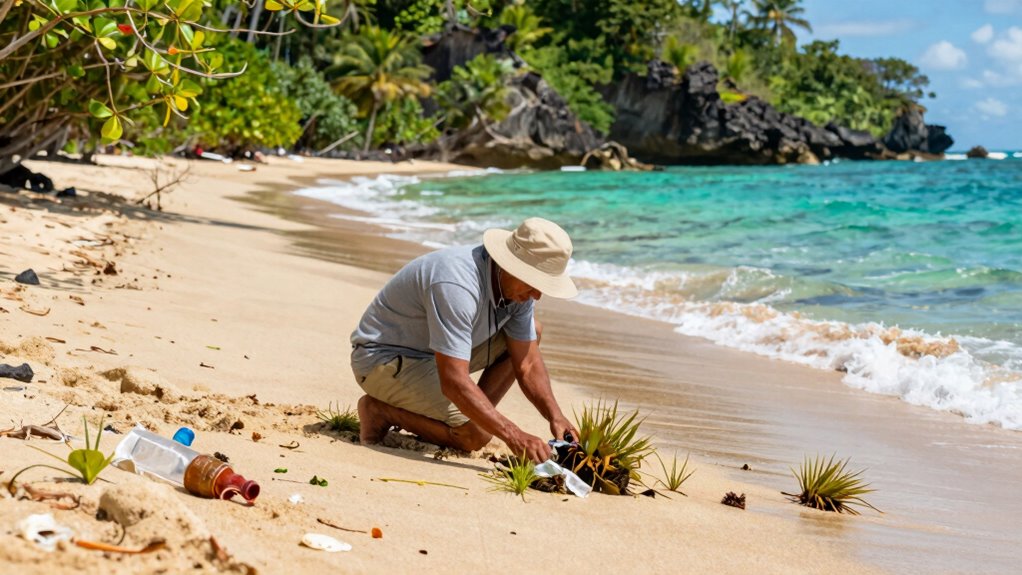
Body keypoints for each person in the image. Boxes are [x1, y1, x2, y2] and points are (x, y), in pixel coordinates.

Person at [351, 217, 581, 463]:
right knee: (476, 435)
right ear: (510, 265)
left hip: (433, 356)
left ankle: (469, 416)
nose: (537, 295)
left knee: (533, 331)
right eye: (535, 283)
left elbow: (527, 363)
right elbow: (453, 381)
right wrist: (513, 435)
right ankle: (380, 411)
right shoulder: (457, 283)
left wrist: (555, 416)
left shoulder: (516, 289)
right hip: (382, 360)